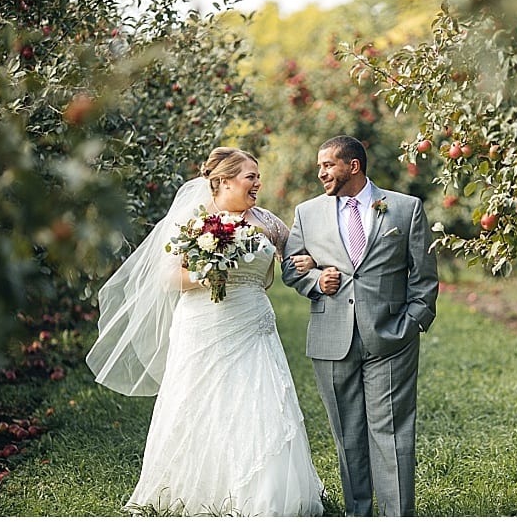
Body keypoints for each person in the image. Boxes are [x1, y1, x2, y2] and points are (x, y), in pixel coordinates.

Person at [85, 147, 325, 516]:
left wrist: (309, 260)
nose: (258, 183)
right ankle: (193, 489)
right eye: (251, 177)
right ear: (224, 181)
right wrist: (208, 273)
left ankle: (266, 494)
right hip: (202, 325)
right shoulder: (193, 219)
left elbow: (299, 254)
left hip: (253, 324)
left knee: (259, 401)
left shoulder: (267, 221)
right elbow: (168, 278)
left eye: (257, 177)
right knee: (198, 402)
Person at [281, 135, 439, 516]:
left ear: (353, 166)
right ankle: (358, 513)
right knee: (348, 435)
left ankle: (397, 515)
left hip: (391, 338)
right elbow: (290, 267)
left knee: (393, 434)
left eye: (328, 165)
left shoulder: (405, 208)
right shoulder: (307, 213)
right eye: (320, 166)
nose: (321, 173)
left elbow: (424, 277)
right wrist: (316, 281)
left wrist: (413, 322)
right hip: (331, 338)